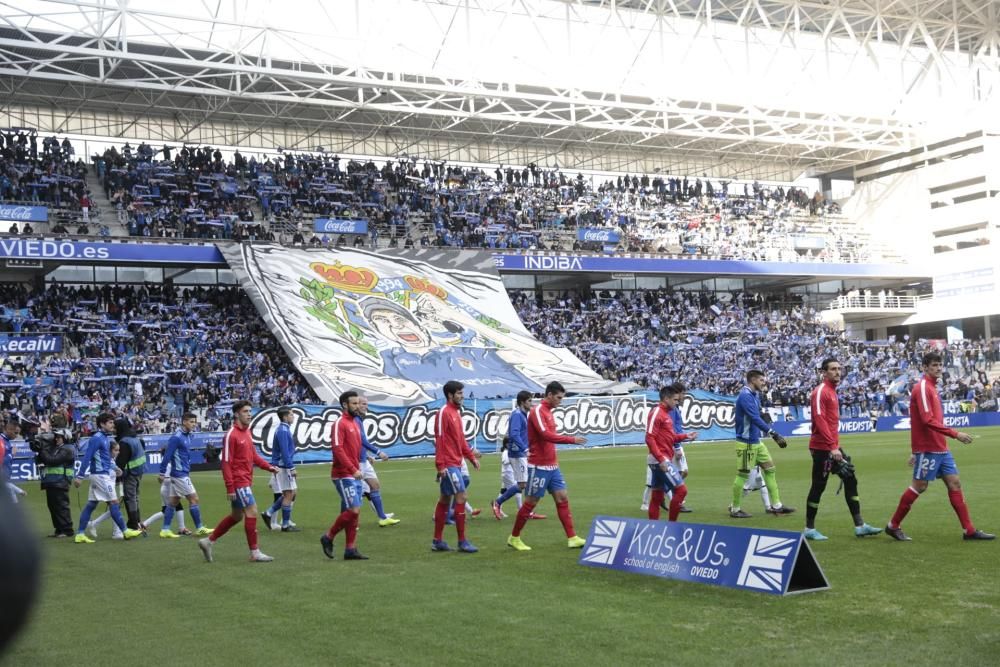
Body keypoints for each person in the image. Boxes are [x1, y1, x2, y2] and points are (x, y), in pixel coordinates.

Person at [885, 352, 994, 541]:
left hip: (940, 447)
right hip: (929, 448)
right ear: (925, 368)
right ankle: (893, 525)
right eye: (934, 365)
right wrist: (955, 434)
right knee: (919, 486)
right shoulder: (923, 388)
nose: (938, 368)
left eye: (940, 365)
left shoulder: (932, 388)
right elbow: (927, 420)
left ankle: (969, 530)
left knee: (954, 483)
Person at [803, 359, 881, 540]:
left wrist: (835, 447)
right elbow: (819, 419)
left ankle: (860, 525)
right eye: (833, 369)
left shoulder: (832, 391)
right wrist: (832, 447)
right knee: (818, 486)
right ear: (824, 372)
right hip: (822, 448)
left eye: (839, 369)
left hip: (832, 447)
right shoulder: (821, 391)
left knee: (850, 478)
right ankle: (809, 529)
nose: (838, 372)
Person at [506, 381, 587, 552]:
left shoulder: (548, 412)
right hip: (539, 466)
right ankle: (514, 537)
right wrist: (571, 439)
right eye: (558, 397)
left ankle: (572, 538)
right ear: (549, 395)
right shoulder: (537, 411)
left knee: (562, 498)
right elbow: (545, 435)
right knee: (530, 503)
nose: (560, 401)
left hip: (552, 466)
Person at [198, 401, 279, 563]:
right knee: (252, 511)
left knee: (236, 516)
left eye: (250, 411)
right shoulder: (231, 435)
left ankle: (208, 541)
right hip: (238, 481)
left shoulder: (247, 433)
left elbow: (254, 456)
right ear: (236, 414)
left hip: (245, 480)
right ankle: (255, 552)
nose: (249, 414)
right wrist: (230, 487)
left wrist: (269, 467)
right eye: (245, 411)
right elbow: (226, 462)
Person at [729, 371, 794, 518]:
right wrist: (774, 434)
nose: (764, 382)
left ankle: (777, 506)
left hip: (756, 442)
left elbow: (758, 415)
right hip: (746, 444)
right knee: (743, 476)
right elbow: (754, 418)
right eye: (761, 380)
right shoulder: (745, 395)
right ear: (753, 380)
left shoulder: (755, 395)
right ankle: (735, 509)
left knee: (770, 469)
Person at [72, 414, 143, 543]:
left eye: (112, 423)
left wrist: (115, 467)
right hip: (101, 476)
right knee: (114, 503)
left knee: (91, 505)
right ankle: (125, 531)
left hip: (100, 474)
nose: (112, 425)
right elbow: (87, 457)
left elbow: (105, 457)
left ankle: (80, 533)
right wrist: (80, 476)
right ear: (102, 424)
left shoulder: (105, 438)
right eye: (110, 423)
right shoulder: (97, 438)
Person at [431, 380, 481, 553]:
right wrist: (440, 465)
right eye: (459, 393)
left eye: (462, 392)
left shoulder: (456, 413)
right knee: (461, 497)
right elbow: (439, 439)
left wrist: (470, 457)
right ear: (450, 395)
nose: (462, 396)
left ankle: (437, 541)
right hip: (448, 464)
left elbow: (460, 440)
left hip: (456, 463)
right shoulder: (443, 412)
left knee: (445, 500)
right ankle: (462, 541)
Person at [319, 391, 369, 560]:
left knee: (353, 511)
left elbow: (355, 445)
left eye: (358, 403)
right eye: (354, 403)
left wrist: (364, 459)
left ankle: (350, 549)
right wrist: (352, 469)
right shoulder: (339, 423)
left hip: (354, 472)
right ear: (344, 405)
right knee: (353, 510)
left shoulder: (355, 422)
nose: (357, 406)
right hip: (343, 474)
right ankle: (328, 536)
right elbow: (338, 449)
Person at [645, 385, 698, 521]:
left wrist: (686, 436)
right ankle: (671, 525)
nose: (677, 402)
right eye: (674, 399)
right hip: (660, 460)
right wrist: (661, 459)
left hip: (660, 459)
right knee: (681, 491)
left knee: (656, 497)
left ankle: (653, 527)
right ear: (666, 399)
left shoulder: (666, 414)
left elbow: (671, 437)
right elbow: (649, 437)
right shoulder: (657, 412)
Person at [492, 391, 545, 521]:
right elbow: (514, 434)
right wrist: (525, 448)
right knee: (523, 484)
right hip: (517, 453)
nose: (531, 404)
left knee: (528, 481)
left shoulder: (523, 415)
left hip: (520, 452)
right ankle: (498, 503)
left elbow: (522, 434)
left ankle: (527, 511)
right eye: (529, 401)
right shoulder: (517, 415)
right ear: (522, 402)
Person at [158, 412, 212, 538]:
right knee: (194, 499)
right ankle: (199, 528)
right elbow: (167, 455)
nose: (194, 424)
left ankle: (165, 529)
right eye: (191, 422)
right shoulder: (176, 437)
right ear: (184, 422)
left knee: (173, 502)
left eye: (195, 422)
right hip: (179, 474)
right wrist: (161, 472)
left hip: (182, 472)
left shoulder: (187, 436)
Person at [355, 396, 399, 527]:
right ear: (356, 405)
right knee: (356, 493)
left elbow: (361, 442)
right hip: (356, 462)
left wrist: (367, 455)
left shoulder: (359, 420)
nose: (365, 406)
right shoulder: (355, 420)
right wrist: (378, 452)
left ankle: (382, 517)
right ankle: (352, 522)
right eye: (363, 404)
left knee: (374, 486)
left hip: (363, 460)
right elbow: (362, 441)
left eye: (366, 404)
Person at [262, 407, 300, 532]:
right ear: (285, 417)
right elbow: (284, 451)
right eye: (291, 414)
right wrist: (291, 467)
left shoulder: (283, 429)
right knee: (289, 494)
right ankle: (284, 524)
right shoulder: (283, 430)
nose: (293, 417)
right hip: (283, 466)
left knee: (292, 492)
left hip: (282, 465)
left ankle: (269, 513)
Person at [34, 427, 75, 537]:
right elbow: (41, 460)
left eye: (59, 437)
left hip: (61, 481)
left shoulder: (68, 449)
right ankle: (59, 530)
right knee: (52, 507)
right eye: (56, 437)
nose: (56, 439)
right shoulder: (55, 448)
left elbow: (52, 460)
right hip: (52, 481)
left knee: (61, 507)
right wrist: (39, 451)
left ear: (66, 438)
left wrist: (43, 450)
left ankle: (67, 530)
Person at [114, 413, 146, 531]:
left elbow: (121, 462)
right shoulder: (134, 437)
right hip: (139, 472)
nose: (114, 430)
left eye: (115, 428)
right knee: (135, 497)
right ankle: (137, 521)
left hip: (130, 473)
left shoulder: (124, 441)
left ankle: (133, 524)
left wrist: (116, 476)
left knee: (130, 498)